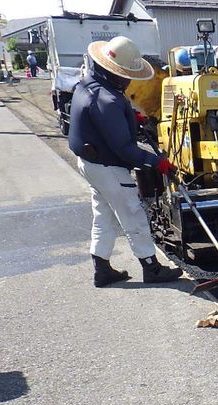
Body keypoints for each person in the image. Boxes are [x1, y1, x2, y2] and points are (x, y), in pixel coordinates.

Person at [68, 35, 181, 287]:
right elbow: (125, 150)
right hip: (108, 167)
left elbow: (99, 118)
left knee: (104, 214)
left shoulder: (88, 84)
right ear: (112, 72)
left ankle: (102, 269)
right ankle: (152, 268)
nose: (129, 80)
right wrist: (157, 163)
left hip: (90, 163)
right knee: (132, 213)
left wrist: (129, 117)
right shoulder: (107, 100)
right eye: (125, 75)